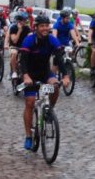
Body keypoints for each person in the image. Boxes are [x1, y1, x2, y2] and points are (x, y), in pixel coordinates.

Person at [18, 15, 69, 150]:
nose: (45, 28)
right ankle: (29, 135)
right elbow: (22, 60)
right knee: (30, 102)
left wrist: (66, 76)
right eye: (42, 26)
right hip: (29, 74)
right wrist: (25, 76)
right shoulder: (29, 40)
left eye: (47, 25)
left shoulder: (52, 40)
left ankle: (48, 111)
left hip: (44, 72)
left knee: (55, 86)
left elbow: (59, 58)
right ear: (36, 27)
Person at [6, 10, 32, 80]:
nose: (25, 21)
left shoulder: (27, 28)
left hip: (23, 47)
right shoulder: (13, 28)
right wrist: (19, 31)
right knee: (14, 53)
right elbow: (14, 41)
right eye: (24, 20)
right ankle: (14, 72)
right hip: (14, 46)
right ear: (19, 21)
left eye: (25, 20)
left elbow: (30, 37)